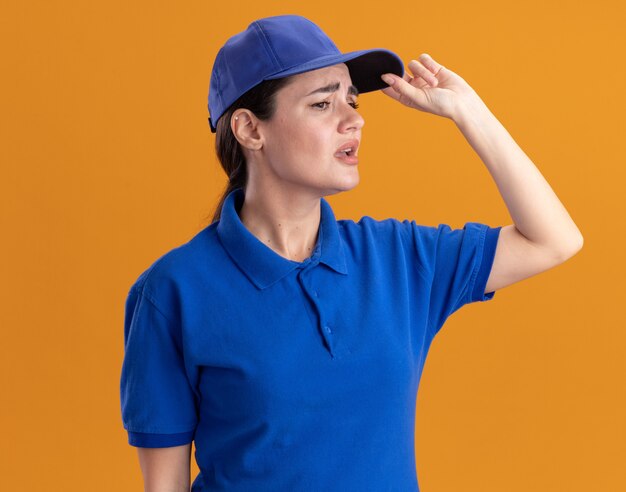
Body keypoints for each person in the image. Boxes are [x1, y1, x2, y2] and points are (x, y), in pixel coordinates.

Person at [119, 14, 583, 492]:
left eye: (352, 100)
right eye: (322, 103)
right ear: (249, 129)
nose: (353, 119)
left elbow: (554, 240)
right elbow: (164, 486)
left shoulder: (399, 259)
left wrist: (470, 113)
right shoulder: (172, 292)